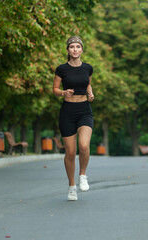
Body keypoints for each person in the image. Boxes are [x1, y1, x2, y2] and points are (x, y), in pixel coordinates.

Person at [53, 36, 94, 201]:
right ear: (68, 50)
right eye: (72, 47)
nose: (75, 49)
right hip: (67, 111)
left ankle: (82, 174)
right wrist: (63, 92)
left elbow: (87, 83)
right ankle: (72, 187)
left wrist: (90, 93)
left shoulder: (88, 68)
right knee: (70, 152)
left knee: (83, 146)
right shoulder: (61, 69)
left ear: (82, 49)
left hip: (84, 109)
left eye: (78, 46)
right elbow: (55, 88)